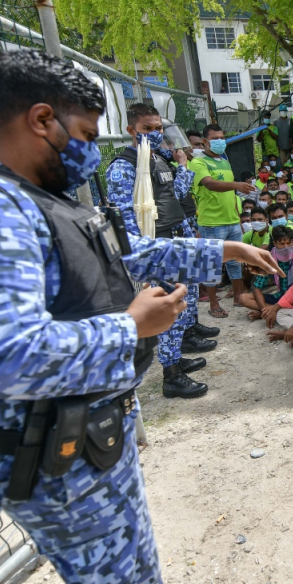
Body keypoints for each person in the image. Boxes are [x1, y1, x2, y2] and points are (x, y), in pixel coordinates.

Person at [0, 50, 280, 584]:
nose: (91, 151)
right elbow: (4, 357)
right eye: (86, 134)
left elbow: (116, 253)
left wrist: (221, 250)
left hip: (78, 437)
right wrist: (129, 327)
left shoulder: (20, 193)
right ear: (42, 119)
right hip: (49, 453)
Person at [107, 104, 216, 398]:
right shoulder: (124, 166)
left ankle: (176, 357)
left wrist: (182, 166)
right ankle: (171, 375)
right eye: (147, 128)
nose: (155, 134)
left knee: (184, 304)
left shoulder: (157, 160)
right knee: (170, 311)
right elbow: (126, 218)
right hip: (159, 246)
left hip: (178, 237)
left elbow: (175, 195)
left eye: (158, 128)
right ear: (131, 130)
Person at [189, 123, 256, 319]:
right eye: (215, 138)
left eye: (222, 137)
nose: (220, 141)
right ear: (205, 141)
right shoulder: (198, 162)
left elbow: (230, 194)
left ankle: (238, 296)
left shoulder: (224, 161)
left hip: (232, 220)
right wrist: (236, 185)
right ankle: (213, 304)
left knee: (235, 261)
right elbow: (209, 184)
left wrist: (237, 216)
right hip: (212, 222)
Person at [236, 226, 293, 322]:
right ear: (274, 243)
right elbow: (257, 287)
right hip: (280, 295)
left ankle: (270, 312)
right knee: (243, 298)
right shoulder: (269, 259)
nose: (286, 247)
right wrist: (264, 308)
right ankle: (271, 312)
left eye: (289, 243)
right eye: (282, 244)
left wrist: (272, 308)